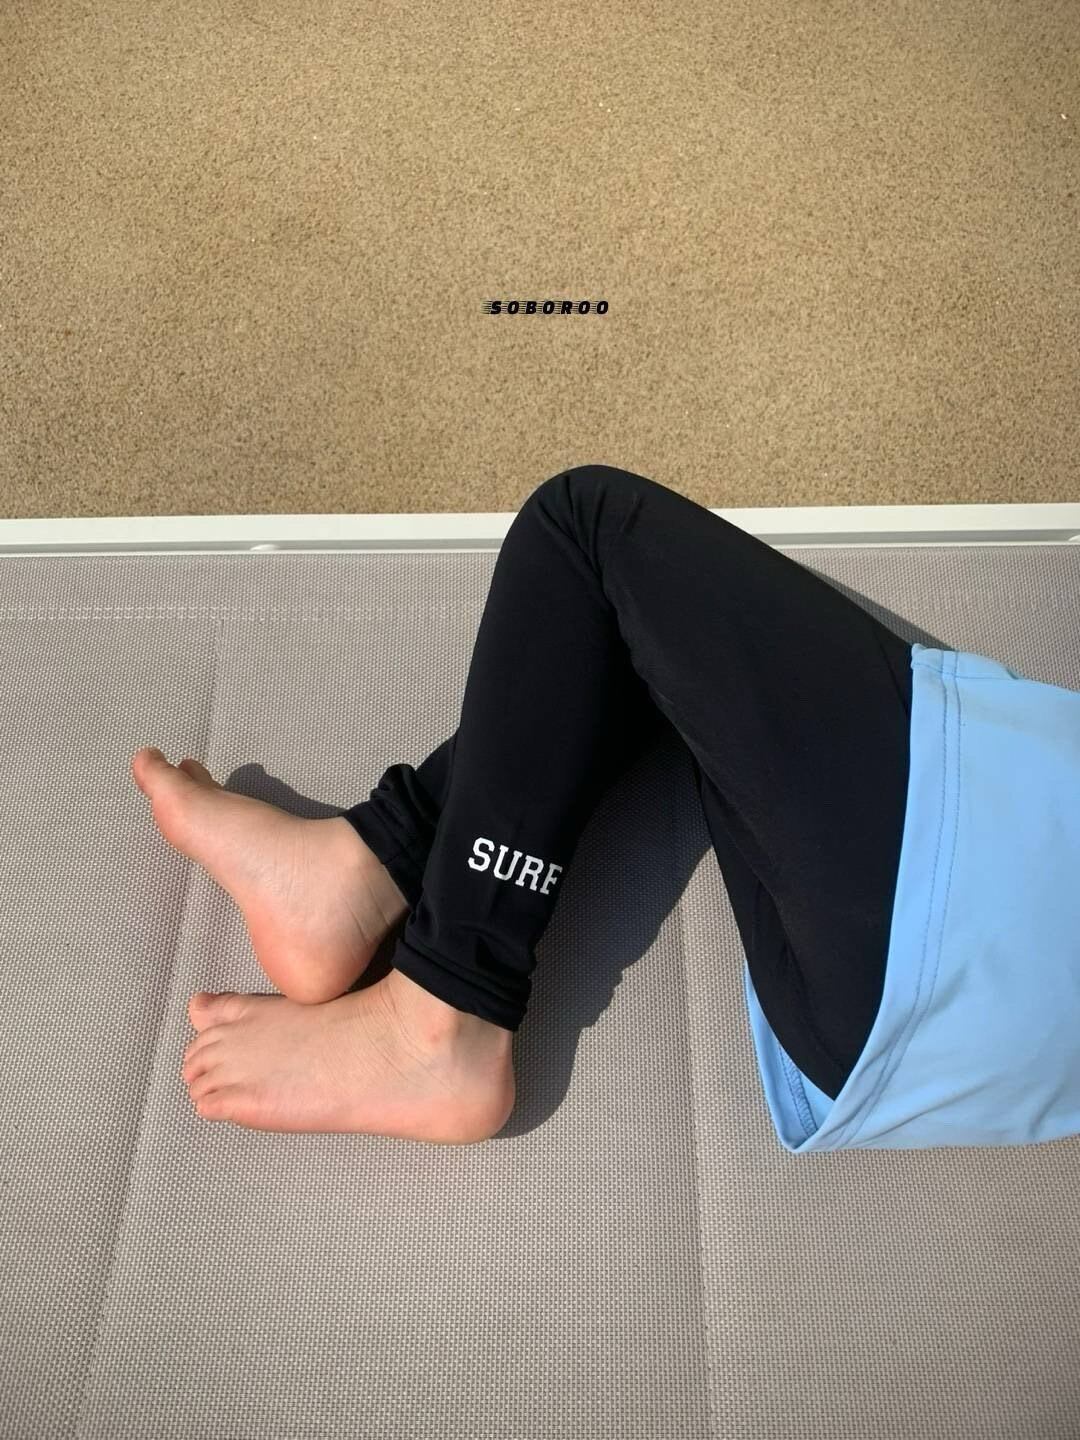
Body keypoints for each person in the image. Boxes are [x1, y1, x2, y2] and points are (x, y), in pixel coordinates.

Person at [130, 465, 1080, 1152]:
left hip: (961, 894)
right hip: (951, 1040)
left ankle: (445, 1012)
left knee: (587, 529)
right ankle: (364, 868)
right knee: (658, 654)